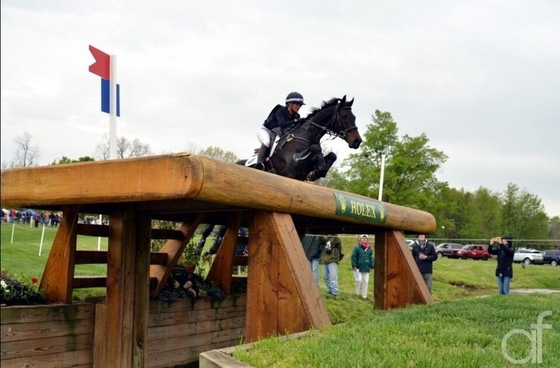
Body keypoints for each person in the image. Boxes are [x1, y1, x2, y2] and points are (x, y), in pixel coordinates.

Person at [255, 92, 305, 168]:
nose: (299, 107)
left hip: (277, 134)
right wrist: (297, 121)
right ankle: (259, 164)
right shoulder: (280, 110)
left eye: (300, 105)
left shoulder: (296, 116)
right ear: (290, 104)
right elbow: (282, 124)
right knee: (267, 141)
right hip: (266, 131)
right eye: (297, 104)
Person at [351, 234, 375, 299]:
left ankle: (364, 296)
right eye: (363, 238)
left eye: (365, 238)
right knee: (359, 280)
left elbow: (371, 258)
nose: (364, 239)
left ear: (367, 240)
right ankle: (357, 293)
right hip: (358, 267)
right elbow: (354, 257)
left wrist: (372, 266)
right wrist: (354, 265)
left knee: (365, 282)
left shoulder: (369, 249)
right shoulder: (357, 248)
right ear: (360, 239)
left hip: (366, 267)